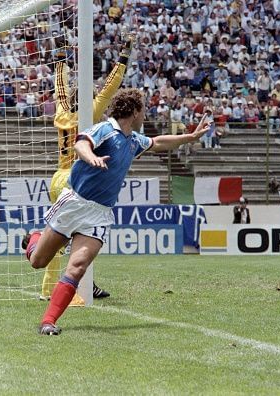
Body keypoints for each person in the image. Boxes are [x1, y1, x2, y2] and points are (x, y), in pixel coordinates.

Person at [23, 89, 211, 335]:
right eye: (143, 110)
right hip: (74, 202)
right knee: (38, 261)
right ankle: (35, 239)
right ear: (133, 112)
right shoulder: (106, 129)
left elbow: (158, 143)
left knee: (77, 267)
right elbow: (81, 144)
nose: (145, 114)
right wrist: (91, 157)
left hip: (99, 213)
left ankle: (48, 322)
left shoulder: (133, 140)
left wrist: (190, 137)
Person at [37, 34, 134, 303]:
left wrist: (60, 58)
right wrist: (124, 56)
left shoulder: (62, 112)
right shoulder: (90, 114)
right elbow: (111, 87)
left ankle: (50, 287)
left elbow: (60, 88)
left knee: (58, 235)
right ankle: (78, 289)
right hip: (76, 180)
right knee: (83, 235)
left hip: (57, 176)